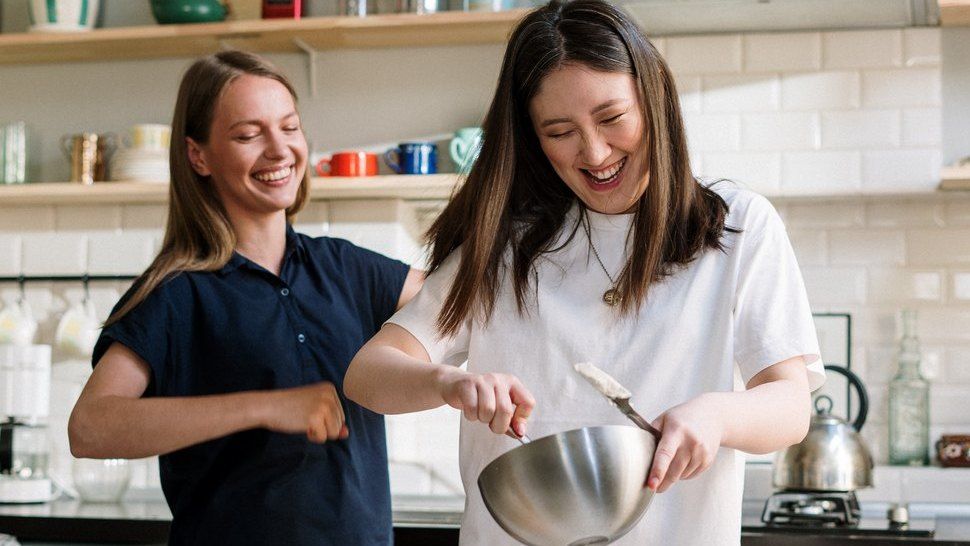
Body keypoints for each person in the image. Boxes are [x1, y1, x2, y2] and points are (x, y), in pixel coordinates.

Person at [343, 0, 825, 544]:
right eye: (559, 130)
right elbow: (367, 375)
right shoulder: (509, 246)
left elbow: (790, 406)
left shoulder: (735, 227)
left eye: (612, 118)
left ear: (654, 100)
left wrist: (718, 416)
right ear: (531, 137)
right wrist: (447, 382)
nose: (594, 153)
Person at [68, 51, 423, 545]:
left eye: (289, 127)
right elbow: (90, 427)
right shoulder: (175, 293)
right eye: (248, 135)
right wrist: (264, 408)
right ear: (199, 155)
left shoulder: (348, 268)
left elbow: (463, 303)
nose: (279, 151)